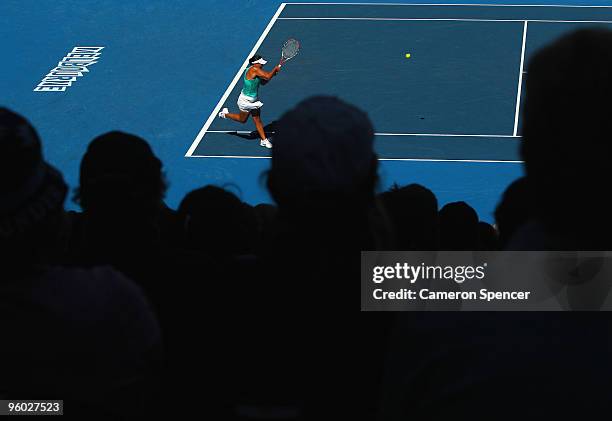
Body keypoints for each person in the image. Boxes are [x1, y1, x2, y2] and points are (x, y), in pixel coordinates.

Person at [218, 54, 280, 149]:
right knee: (242, 120)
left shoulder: (257, 71)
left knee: (255, 119)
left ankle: (263, 140)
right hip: (245, 101)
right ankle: (225, 114)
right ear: (255, 64)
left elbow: (263, 82)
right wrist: (274, 70)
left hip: (254, 100)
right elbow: (267, 77)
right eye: (260, 63)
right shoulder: (253, 70)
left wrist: (273, 74)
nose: (262, 65)